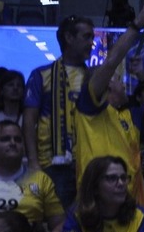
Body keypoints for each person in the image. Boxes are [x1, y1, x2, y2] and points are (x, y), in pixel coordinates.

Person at [73, 0, 144, 206]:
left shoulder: (132, 114)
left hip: (131, 203)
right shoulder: (89, 109)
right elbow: (110, 63)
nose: (122, 83)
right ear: (105, 88)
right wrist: (137, 24)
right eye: (116, 79)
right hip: (96, 202)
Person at [22, 14, 95, 207]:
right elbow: (29, 120)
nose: (91, 43)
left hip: (89, 161)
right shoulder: (41, 75)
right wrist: (33, 162)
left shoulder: (93, 77)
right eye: (86, 37)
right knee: (56, 221)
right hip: (52, 163)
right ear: (69, 38)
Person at [0, 120, 65, 232]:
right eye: (5, 139)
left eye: (18, 139)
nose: (12, 143)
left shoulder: (41, 179)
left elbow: (59, 222)